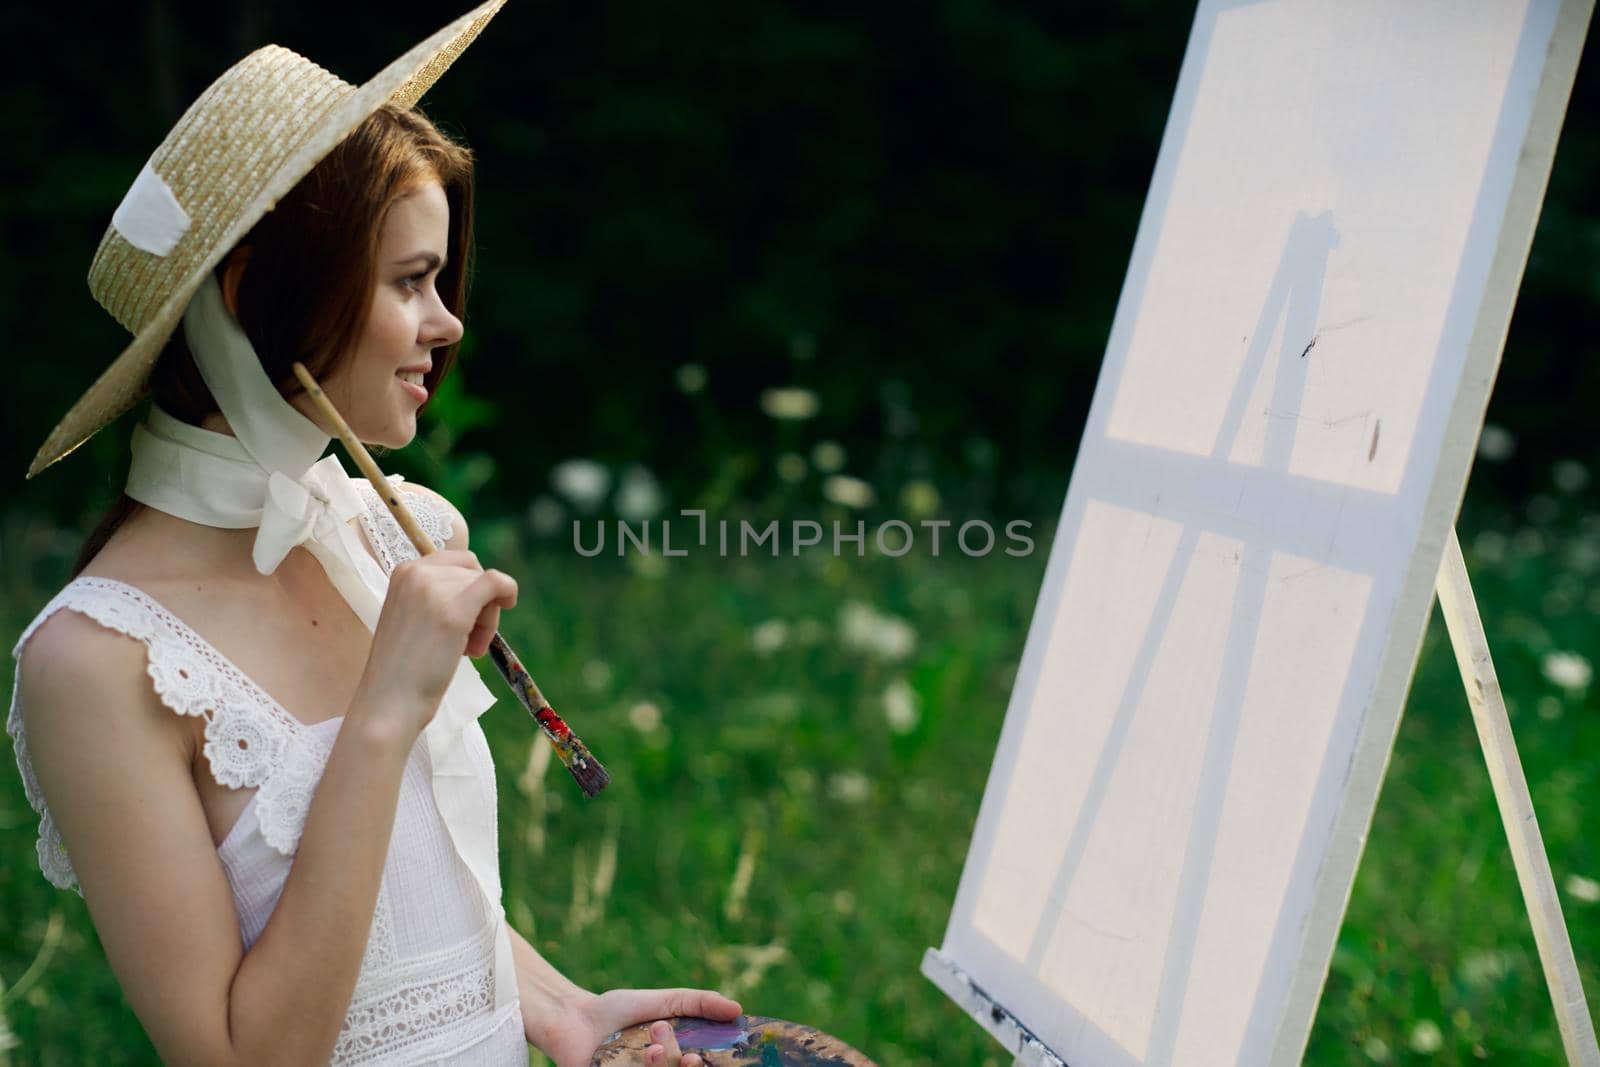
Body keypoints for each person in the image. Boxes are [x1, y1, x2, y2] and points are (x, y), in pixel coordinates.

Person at [7, 3, 737, 1064]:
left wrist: (558, 1007)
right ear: (257, 295)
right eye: (410, 281)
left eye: (439, 278)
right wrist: (384, 710)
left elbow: (413, 906)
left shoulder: (398, 534)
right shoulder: (95, 661)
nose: (447, 322)